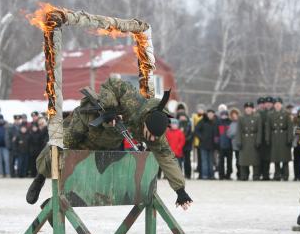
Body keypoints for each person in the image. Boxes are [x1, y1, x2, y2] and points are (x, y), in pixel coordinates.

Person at [26, 78, 192, 210]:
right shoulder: (132, 100)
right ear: (146, 122)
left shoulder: (156, 133)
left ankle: (57, 204)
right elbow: (111, 83)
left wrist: (180, 190)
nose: (152, 139)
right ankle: (40, 177)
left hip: (107, 138)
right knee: (61, 146)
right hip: (86, 121)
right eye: (150, 134)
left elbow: (166, 157)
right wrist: (111, 108)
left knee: (87, 168)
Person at [265, 97, 293, 181]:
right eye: (276, 104)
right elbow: (268, 128)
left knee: (285, 158)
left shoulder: (286, 114)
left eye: (279, 104)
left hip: (284, 138)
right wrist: (267, 139)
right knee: (276, 158)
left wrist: (289, 139)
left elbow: (290, 127)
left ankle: (285, 175)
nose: (277, 105)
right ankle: (277, 175)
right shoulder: (270, 114)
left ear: (281, 104)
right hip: (274, 137)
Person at [236, 102, 262, 181]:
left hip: (253, 140)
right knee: (244, 160)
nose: (248, 109)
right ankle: (244, 175)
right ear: (244, 109)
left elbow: (259, 130)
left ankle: (256, 175)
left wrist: (258, 141)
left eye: (250, 108)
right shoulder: (241, 117)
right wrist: (239, 141)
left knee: (255, 160)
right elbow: (239, 130)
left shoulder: (257, 117)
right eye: (247, 108)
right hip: (244, 140)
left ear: (252, 109)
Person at [194, 109, 216, 179]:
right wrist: (201, 137)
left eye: (211, 113)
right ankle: (205, 175)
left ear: (213, 114)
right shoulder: (202, 121)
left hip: (212, 144)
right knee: (204, 160)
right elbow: (196, 130)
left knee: (211, 160)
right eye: (209, 113)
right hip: (203, 144)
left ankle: (211, 175)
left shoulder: (215, 121)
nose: (210, 115)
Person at [257, 96, 273, 180]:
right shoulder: (258, 113)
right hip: (261, 138)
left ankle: (266, 174)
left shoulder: (271, 112)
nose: (262, 105)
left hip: (269, 137)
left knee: (267, 158)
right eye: (261, 104)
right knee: (260, 157)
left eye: (263, 104)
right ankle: (261, 173)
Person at [215, 110, 232, 180]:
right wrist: (216, 143)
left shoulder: (230, 122)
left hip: (229, 145)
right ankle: (221, 175)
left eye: (225, 115)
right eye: (222, 115)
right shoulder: (218, 123)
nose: (224, 116)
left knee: (229, 161)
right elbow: (216, 134)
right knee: (221, 161)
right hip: (221, 145)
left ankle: (228, 175)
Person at [177, 111, 193, 179]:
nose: (182, 117)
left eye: (183, 116)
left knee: (187, 161)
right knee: (179, 161)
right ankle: (179, 174)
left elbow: (191, 134)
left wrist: (185, 139)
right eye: (181, 116)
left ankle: (188, 174)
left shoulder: (189, 124)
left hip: (187, 145)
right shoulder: (178, 124)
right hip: (179, 145)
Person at [192, 104, 205, 177]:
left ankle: (202, 171)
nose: (200, 110)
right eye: (199, 109)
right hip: (197, 140)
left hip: (203, 140)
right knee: (199, 157)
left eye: (201, 109)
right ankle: (199, 170)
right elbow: (193, 127)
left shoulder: (205, 117)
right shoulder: (195, 117)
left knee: (202, 157)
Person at [228, 108, 240, 179]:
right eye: (233, 115)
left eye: (235, 115)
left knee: (240, 160)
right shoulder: (231, 124)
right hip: (234, 144)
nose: (234, 116)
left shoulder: (240, 122)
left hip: (241, 144)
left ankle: (241, 173)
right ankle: (238, 174)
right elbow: (229, 133)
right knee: (236, 160)